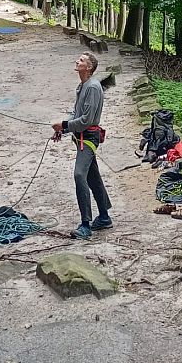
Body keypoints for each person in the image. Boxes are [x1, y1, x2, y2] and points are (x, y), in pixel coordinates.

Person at [51, 51, 112, 239]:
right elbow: (76, 113)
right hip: (81, 137)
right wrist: (64, 127)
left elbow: (86, 120)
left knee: (79, 175)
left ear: (89, 67)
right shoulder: (83, 86)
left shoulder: (93, 88)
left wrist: (66, 125)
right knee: (92, 176)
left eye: (82, 60)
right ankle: (104, 217)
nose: (77, 61)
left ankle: (85, 224)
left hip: (89, 138)